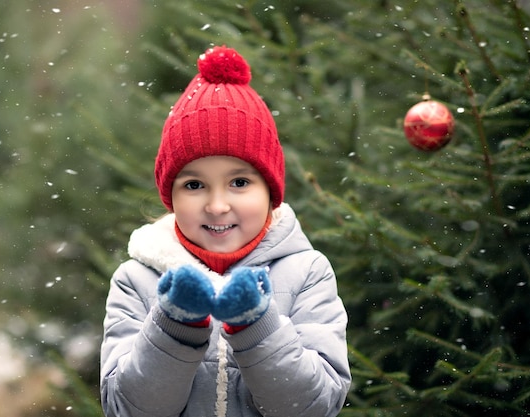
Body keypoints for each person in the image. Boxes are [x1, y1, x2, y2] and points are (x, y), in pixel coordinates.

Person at [100, 45, 351, 417]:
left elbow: (313, 408)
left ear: (271, 192)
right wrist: (175, 324)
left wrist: (256, 324)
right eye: (195, 186)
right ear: (170, 196)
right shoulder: (136, 280)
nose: (217, 205)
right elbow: (129, 409)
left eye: (238, 182)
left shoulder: (308, 274)